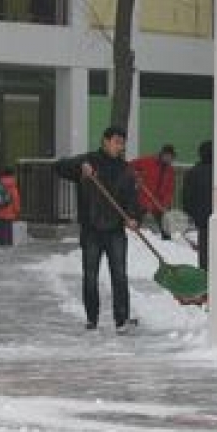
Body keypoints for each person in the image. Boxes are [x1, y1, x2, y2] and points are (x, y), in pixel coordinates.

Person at [55, 126, 141, 333]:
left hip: (115, 231)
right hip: (91, 230)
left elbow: (132, 199)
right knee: (90, 276)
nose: (119, 146)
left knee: (119, 275)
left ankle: (121, 319)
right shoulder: (89, 161)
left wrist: (133, 218)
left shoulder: (126, 169)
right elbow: (59, 166)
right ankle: (91, 318)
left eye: (122, 143)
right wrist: (80, 166)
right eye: (116, 142)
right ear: (105, 141)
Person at [130, 143, 177, 240]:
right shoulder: (148, 161)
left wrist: (165, 204)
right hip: (143, 199)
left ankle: (167, 243)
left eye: (170, 157)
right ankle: (132, 240)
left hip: (159, 202)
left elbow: (170, 190)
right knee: (135, 223)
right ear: (162, 154)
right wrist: (136, 176)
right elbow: (130, 166)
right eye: (166, 155)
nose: (168, 158)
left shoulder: (170, 171)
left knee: (165, 226)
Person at [182, 140, 214, 270]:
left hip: (202, 218)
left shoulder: (193, 172)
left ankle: (205, 274)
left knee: (204, 250)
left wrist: (191, 212)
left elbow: (187, 196)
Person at [0, 167, 21, 246]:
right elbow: (15, 199)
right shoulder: (13, 186)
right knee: (8, 230)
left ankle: (0, 243)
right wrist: (17, 210)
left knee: (0, 229)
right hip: (9, 213)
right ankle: (8, 244)